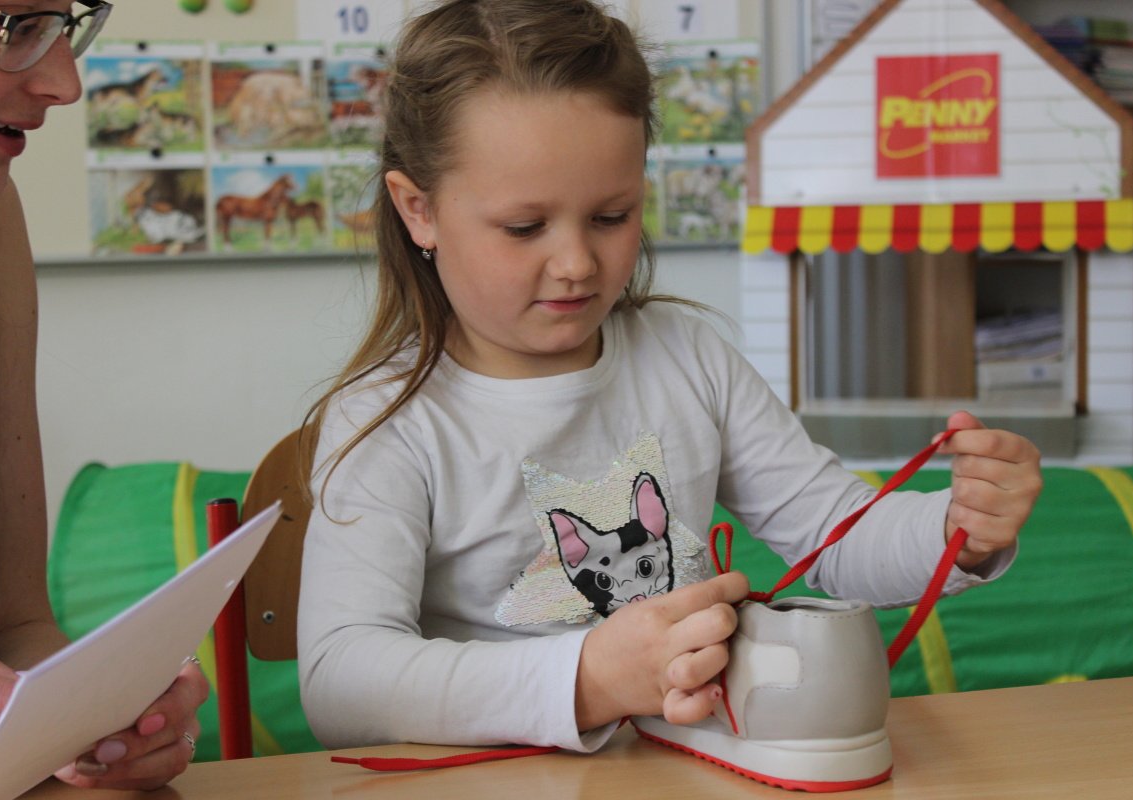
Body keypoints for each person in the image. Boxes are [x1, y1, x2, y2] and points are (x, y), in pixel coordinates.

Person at [297, 0, 1042, 753]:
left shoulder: (688, 358)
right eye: (525, 227)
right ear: (417, 210)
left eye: (612, 216)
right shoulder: (388, 419)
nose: (577, 263)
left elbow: (836, 537)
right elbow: (340, 683)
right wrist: (589, 681)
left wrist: (956, 530)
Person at [0, 1, 208, 788]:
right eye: (16, 26)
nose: (66, 83)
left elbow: (15, 626)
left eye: (65, 26)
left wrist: (99, 721)